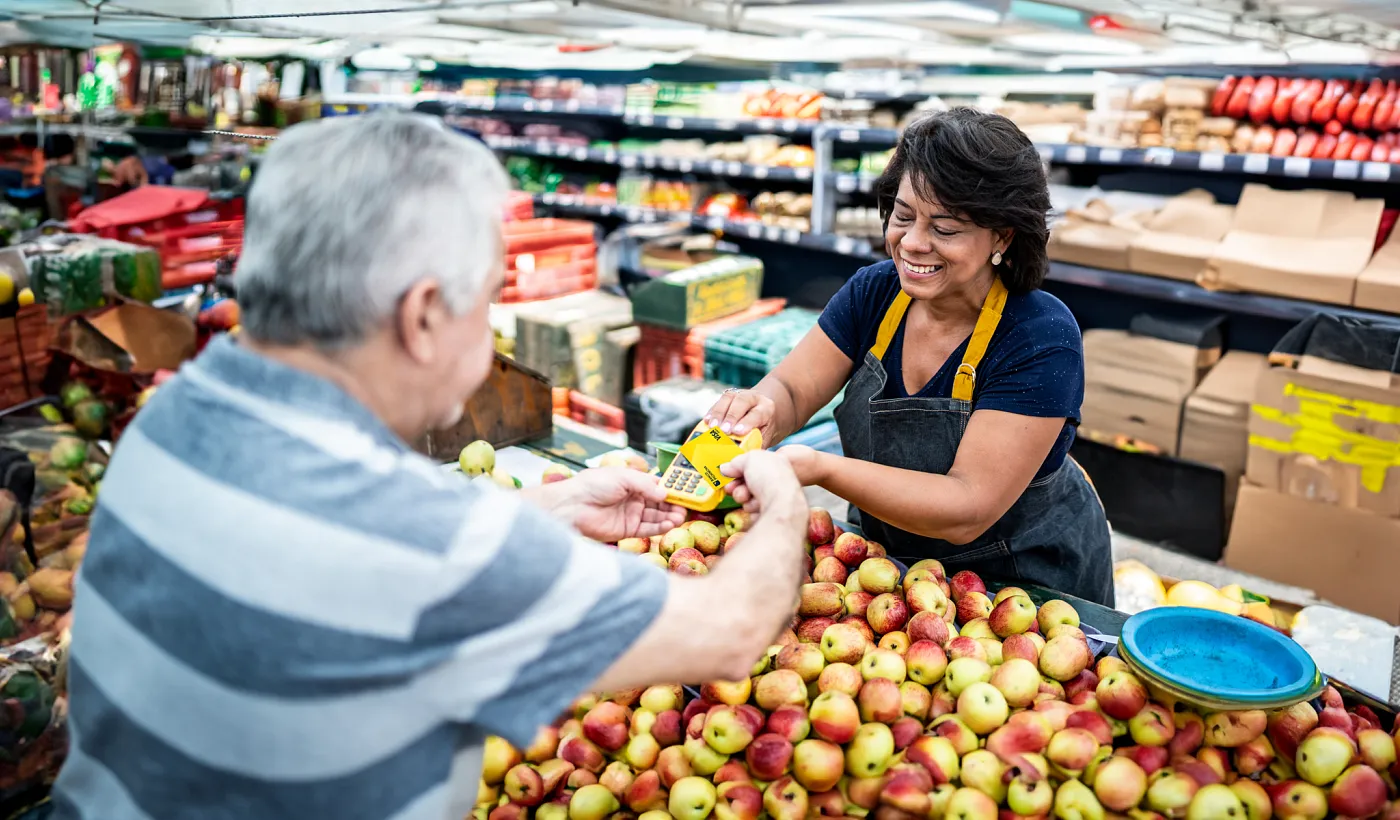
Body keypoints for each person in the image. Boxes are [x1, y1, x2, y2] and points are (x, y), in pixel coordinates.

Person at [50, 113, 810, 820]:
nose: (489, 340)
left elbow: (338, 567)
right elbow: (732, 628)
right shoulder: (425, 543)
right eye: (485, 305)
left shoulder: (176, 418)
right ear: (420, 317)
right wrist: (782, 502)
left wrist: (555, 507)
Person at [709, 108, 1113, 606]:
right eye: (903, 216)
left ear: (1002, 236)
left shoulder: (1039, 335)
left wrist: (820, 468)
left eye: (945, 229)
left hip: (1022, 585)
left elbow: (967, 506)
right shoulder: (875, 293)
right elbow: (793, 389)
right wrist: (762, 410)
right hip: (891, 572)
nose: (913, 243)